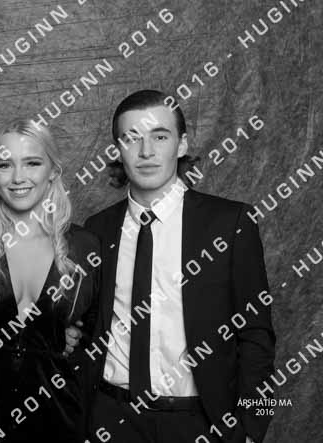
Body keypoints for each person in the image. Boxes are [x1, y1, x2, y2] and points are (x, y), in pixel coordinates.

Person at [83, 90, 275, 443]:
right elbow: (87, 328)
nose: (146, 151)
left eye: (159, 136)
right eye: (131, 138)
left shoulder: (230, 224)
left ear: (182, 144)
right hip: (111, 418)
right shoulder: (97, 230)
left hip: (200, 422)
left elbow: (256, 335)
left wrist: (253, 428)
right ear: (117, 150)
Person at [0, 119, 100, 443]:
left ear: (53, 171)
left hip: (58, 418)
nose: (18, 177)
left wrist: (62, 334)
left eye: (32, 163)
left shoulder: (85, 246)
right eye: (5, 165)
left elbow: (94, 336)